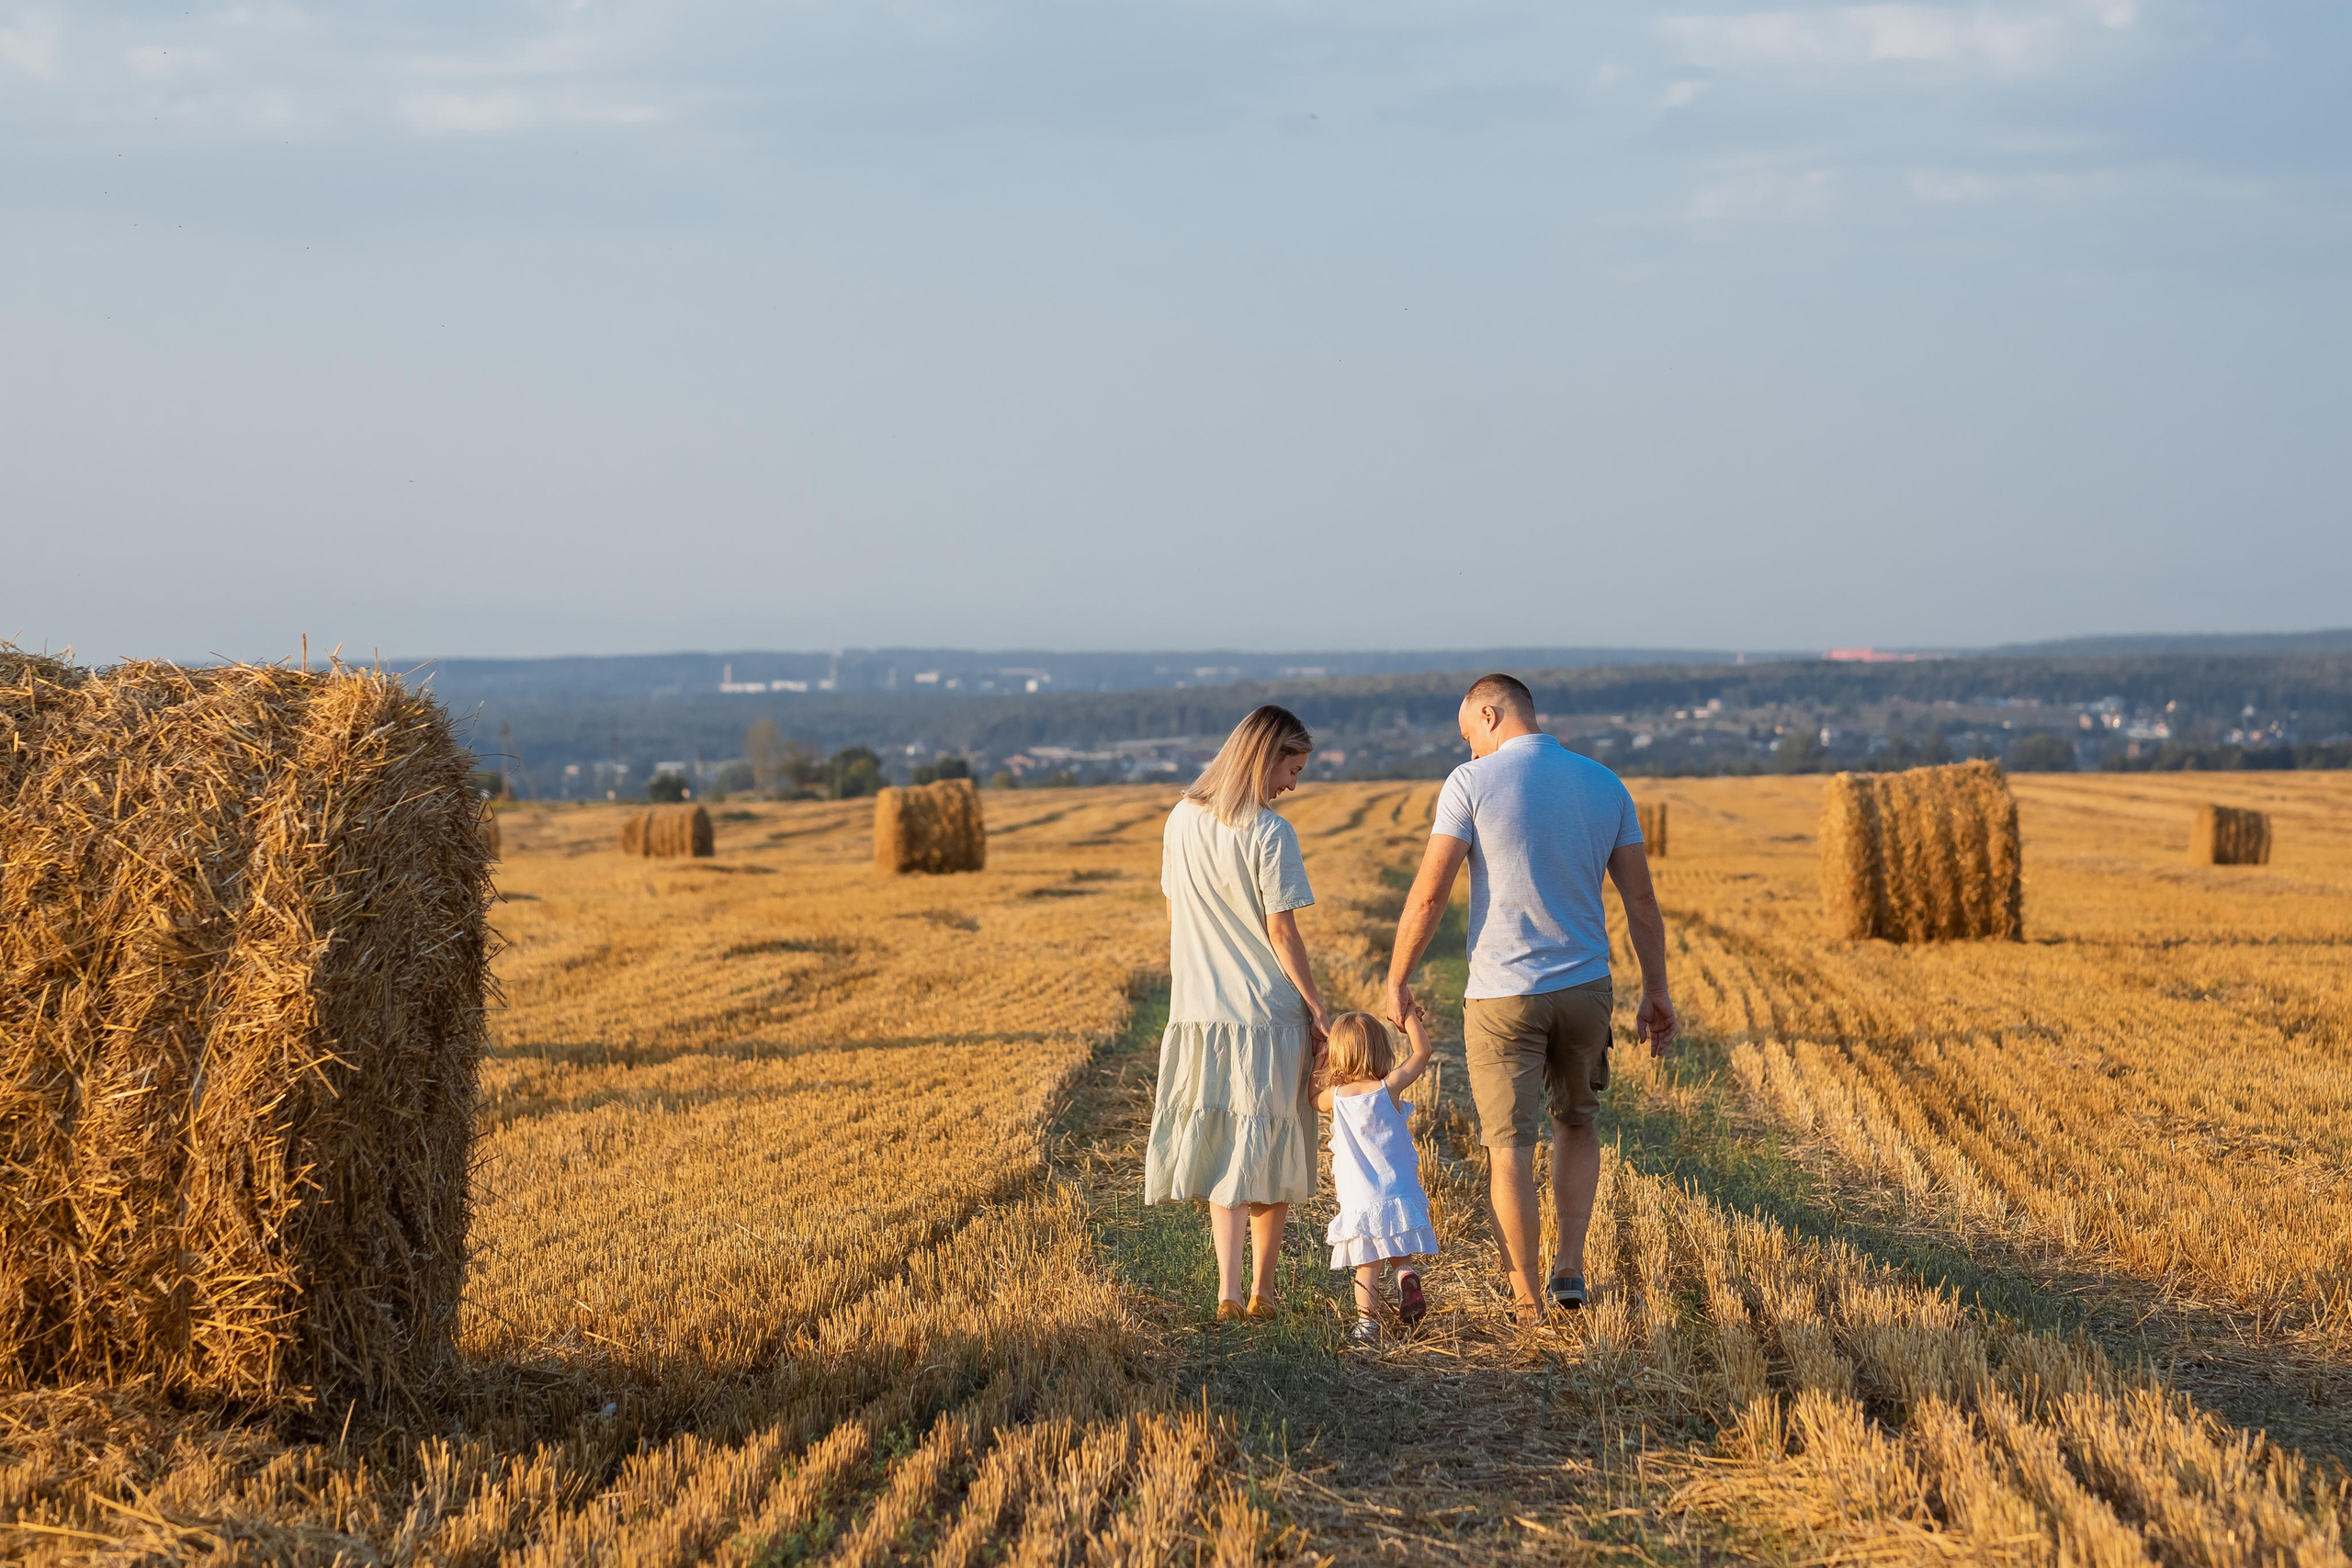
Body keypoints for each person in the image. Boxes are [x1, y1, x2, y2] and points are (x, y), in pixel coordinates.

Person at [1385, 673, 1677, 1325]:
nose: (1468, 752)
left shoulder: (1471, 784)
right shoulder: (1606, 783)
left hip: (1501, 994)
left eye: (1469, 736)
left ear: (1489, 713)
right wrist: (1655, 990)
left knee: (1509, 1145)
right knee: (1577, 1121)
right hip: (1584, 989)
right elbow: (1643, 903)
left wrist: (1398, 976)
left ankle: (1526, 1297)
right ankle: (1569, 1267)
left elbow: (1430, 895)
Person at [1146, 704, 1331, 1321]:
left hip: (1199, 1011)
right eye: (1292, 767)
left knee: (1226, 1146)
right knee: (1270, 1151)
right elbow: (1283, 934)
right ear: (1265, 755)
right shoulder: (1271, 832)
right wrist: (1316, 1008)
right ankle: (1263, 1293)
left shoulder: (1179, 820)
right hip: (1265, 1014)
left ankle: (1226, 1292)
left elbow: (1175, 917)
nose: (1293, 784)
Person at [1317, 1007, 1437, 1347]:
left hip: (1360, 1197)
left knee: (1366, 1264)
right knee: (1400, 1249)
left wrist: (1320, 1058)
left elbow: (1312, 1099)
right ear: (1381, 1050)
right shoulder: (1389, 1087)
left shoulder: (1335, 1098)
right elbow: (1422, 1052)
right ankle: (1405, 1275)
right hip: (1396, 1188)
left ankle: (1366, 1324)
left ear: (1339, 1055)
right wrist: (1409, 1017)